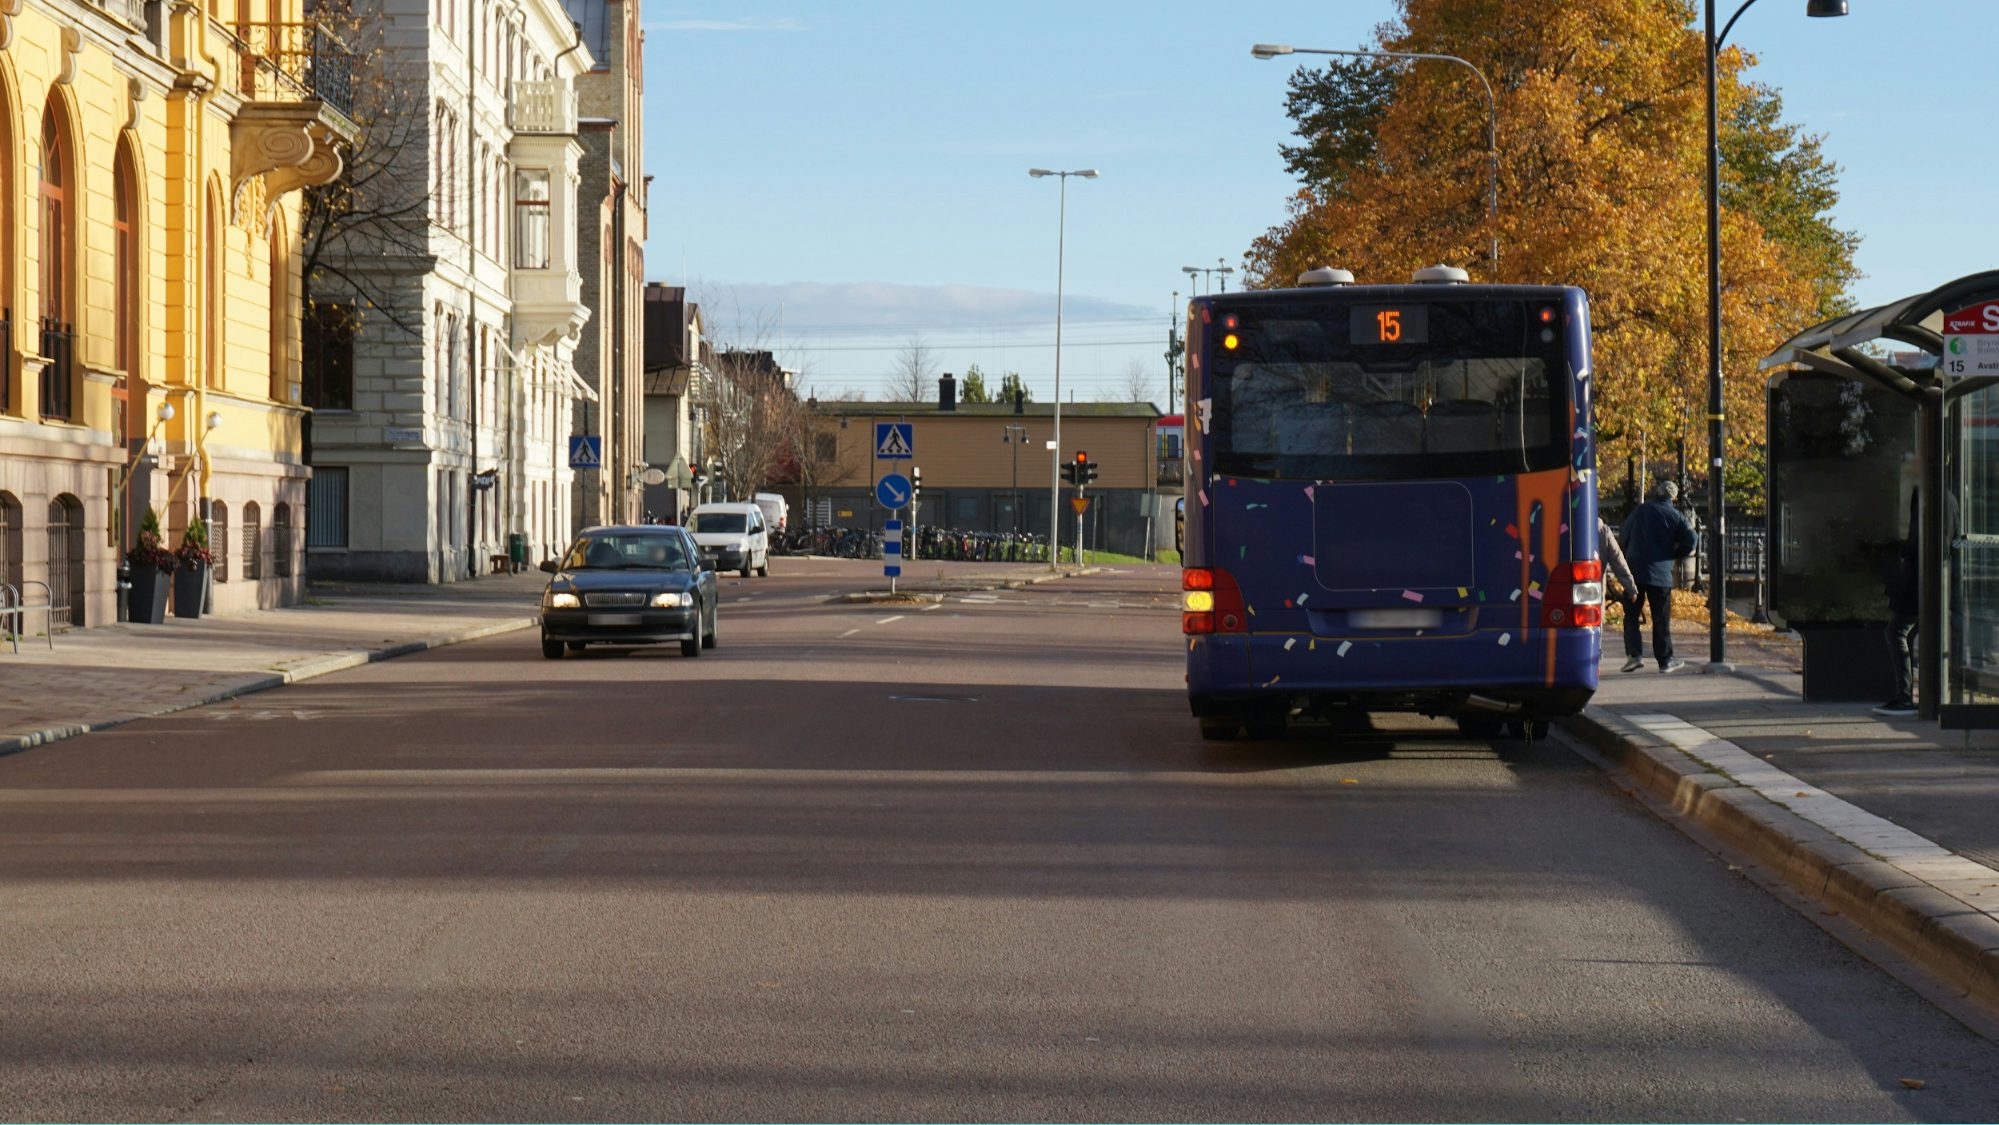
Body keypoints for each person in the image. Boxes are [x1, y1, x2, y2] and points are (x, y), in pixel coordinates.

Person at [1620, 479, 1698, 673]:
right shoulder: (1677, 516)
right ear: (1674, 497)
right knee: (1660, 618)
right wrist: (1675, 552)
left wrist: (1630, 551)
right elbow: (1692, 540)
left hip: (1635, 572)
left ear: (1658, 492)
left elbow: (1624, 534)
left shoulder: (1641, 510)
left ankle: (1634, 655)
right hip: (1661, 574)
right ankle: (1665, 660)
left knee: (1631, 614)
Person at [1876, 489, 1919, 717]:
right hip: (1923, 585)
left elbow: (1920, 544)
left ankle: (1904, 696)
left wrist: (1895, 546)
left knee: (1896, 632)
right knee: (1904, 633)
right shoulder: (1945, 496)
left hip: (1919, 587)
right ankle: (1907, 694)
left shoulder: (1927, 497)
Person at [1597, 516, 1642, 672]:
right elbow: (1618, 562)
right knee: (1593, 621)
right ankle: (1595, 652)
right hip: (1593, 589)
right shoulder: (1602, 530)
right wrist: (1631, 587)